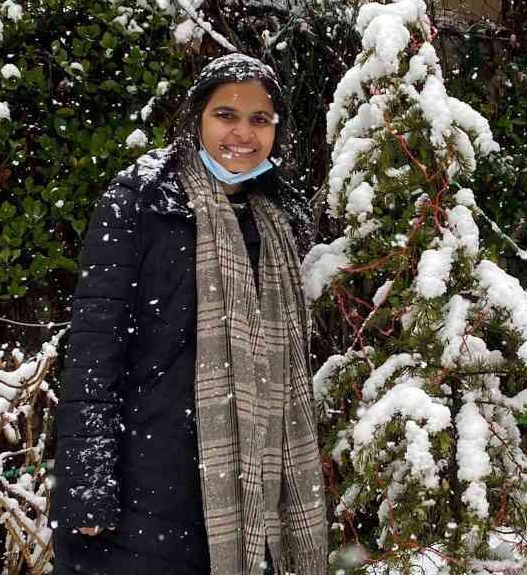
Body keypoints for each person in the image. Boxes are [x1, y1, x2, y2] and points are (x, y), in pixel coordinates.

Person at [50, 53, 328, 575]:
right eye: (226, 115)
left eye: (259, 119)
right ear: (196, 118)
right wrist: (88, 488)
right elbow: (93, 350)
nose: (242, 134)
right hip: (145, 482)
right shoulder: (141, 201)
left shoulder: (281, 216)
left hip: (253, 486)